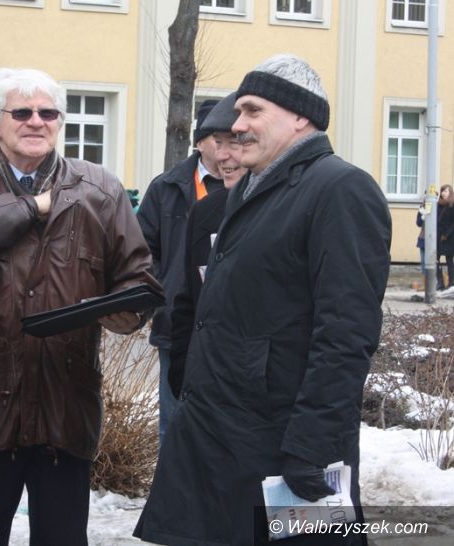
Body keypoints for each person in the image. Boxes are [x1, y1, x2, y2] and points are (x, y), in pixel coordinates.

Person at [134, 54, 392, 546]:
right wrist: (191, 382)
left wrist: (314, 442)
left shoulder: (340, 189)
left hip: (286, 445)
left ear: (300, 116)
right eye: (238, 112)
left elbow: (346, 333)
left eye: (253, 110)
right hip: (220, 436)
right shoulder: (249, 190)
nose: (238, 125)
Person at [0, 68, 160, 546]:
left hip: (65, 402)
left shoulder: (99, 189)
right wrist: (30, 207)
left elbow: (138, 273)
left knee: (63, 537)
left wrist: (122, 309)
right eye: (22, 112)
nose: (36, 121)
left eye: (48, 113)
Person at [136, 98, 228, 444]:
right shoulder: (167, 187)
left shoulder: (246, 185)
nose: (226, 151)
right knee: (174, 422)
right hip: (177, 321)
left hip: (229, 325)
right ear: (199, 141)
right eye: (218, 140)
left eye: (235, 139)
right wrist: (164, 291)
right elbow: (143, 248)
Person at [167, 92, 247, 398]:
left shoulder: (288, 209)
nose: (221, 156)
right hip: (202, 389)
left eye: (234, 143)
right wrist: (181, 375)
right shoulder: (205, 212)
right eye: (218, 142)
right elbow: (188, 303)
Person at [436, 184, 454, 290]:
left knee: (449, 260)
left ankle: (451, 283)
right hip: (438, 235)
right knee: (435, 259)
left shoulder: (452, 205)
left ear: (450, 193)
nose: (443, 193)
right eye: (442, 191)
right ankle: (440, 282)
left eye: (446, 191)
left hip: (449, 237)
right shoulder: (438, 204)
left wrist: (446, 234)